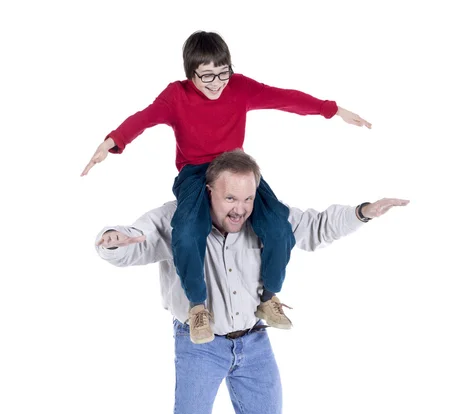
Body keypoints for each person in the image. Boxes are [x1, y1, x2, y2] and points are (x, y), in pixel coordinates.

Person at [95, 150, 409, 414]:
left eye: (246, 199)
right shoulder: (178, 220)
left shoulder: (264, 218)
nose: (239, 209)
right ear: (209, 192)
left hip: (254, 343)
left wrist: (363, 212)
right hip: (199, 344)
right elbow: (135, 239)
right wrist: (112, 240)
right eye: (229, 200)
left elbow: (316, 225)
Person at [84, 30, 372, 344]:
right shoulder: (176, 96)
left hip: (236, 169)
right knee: (187, 230)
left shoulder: (239, 87)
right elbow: (143, 118)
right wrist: (111, 142)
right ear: (190, 74)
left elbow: (284, 98)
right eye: (207, 76)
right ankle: (197, 309)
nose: (217, 83)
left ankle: (269, 299)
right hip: (196, 174)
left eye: (223, 73)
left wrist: (332, 110)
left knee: (277, 225)